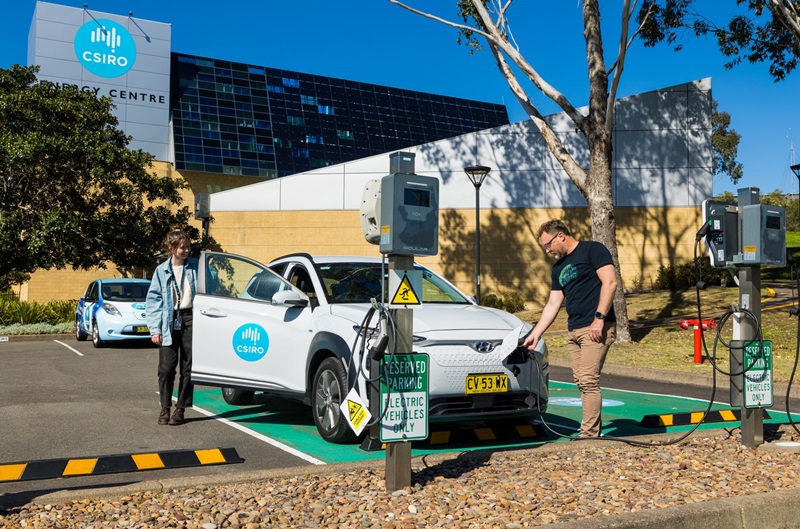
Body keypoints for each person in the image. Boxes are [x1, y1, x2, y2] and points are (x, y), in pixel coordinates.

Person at [523, 219, 617, 438]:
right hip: (574, 330)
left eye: (548, 245)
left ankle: (589, 435)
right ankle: (591, 431)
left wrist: (599, 318)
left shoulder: (593, 250)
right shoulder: (558, 268)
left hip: (595, 327)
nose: (547, 250)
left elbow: (610, 282)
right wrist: (535, 334)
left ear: (561, 236)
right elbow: (553, 304)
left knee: (588, 380)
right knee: (581, 382)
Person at [146, 229, 198, 426]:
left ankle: (181, 409)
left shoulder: (195, 267)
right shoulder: (161, 271)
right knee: (166, 369)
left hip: (191, 318)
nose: (186, 250)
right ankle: (165, 407)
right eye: (182, 247)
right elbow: (153, 301)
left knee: (188, 367)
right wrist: (155, 330)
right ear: (171, 248)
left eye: (188, 247)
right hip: (169, 320)